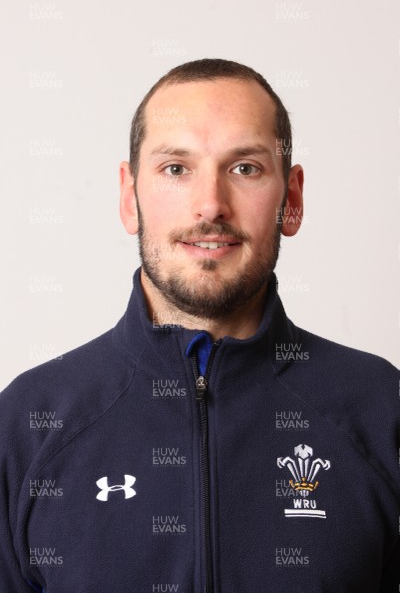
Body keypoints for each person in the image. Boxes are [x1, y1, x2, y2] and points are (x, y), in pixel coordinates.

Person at [0, 58, 398, 593]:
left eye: (245, 168)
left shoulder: (380, 410)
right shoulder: (29, 422)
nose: (210, 204)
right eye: (175, 168)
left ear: (292, 199)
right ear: (129, 197)